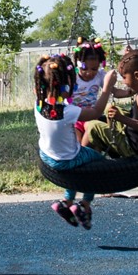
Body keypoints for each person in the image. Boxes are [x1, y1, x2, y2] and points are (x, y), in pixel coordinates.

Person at [34, 52, 110, 229]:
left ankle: (66, 202)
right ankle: (84, 204)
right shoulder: (68, 111)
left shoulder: (38, 104)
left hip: (46, 155)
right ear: (69, 83)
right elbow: (96, 113)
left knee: (74, 163)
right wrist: (106, 88)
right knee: (97, 164)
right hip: (67, 159)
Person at [84, 47, 138, 160]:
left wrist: (120, 118)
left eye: (124, 77)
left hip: (135, 148)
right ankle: (110, 133)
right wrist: (131, 56)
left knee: (92, 125)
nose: (123, 81)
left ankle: (83, 158)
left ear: (137, 76)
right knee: (110, 108)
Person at [70, 37, 107, 141]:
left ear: (99, 64)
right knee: (76, 144)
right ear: (77, 63)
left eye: (94, 69)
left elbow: (115, 92)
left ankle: (91, 154)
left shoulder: (100, 76)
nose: (89, 72)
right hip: (75, 117)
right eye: (84, 68)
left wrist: (129, 91)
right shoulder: (72, 76)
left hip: (92, 117)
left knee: (93, 140)